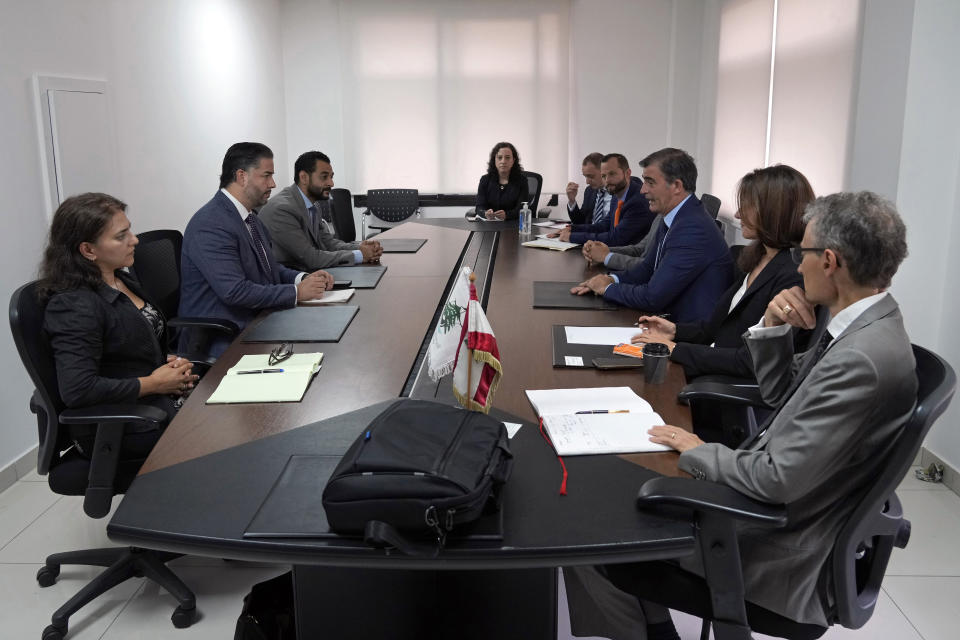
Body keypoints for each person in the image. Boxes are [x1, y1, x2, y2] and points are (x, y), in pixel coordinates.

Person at [565, 191, 916, 639]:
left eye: (804, 252)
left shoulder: (861, 358)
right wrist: (771, 328)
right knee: (616, 495)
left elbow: (775, 478)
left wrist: (700, 450)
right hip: (783, 512)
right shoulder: (865, 322)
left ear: (829, 261)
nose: (797, 263)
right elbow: (779, 394)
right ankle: (654, 625)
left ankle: (646, 630)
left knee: (585, 531)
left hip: (775, 551)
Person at [40, 193, 198, 459]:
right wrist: (153, 383)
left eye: (130, 230)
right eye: (120, 236)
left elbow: (126, 347)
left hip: (151, 403)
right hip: (122, 424)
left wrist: (165, 361)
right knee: (223, 433)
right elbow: (78, 389)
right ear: (88, 250)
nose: (134, 240)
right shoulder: (74, 305)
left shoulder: (120, 278)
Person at [630, 164, 814, 380]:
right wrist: (675, 331)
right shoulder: (757, 256)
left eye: (746, 206)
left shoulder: (794, 275)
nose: (737, 214)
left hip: (722, 382)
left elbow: (750, 361)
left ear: (774, 211)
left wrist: (675, 349)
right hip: (710, 365)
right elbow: (718, 327)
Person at [179, 142, 334, 359]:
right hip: (224, 336)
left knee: (327, 340)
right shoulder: (210, 224)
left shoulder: (251, 219)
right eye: (266, 175)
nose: (273, 183)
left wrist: (304, 278)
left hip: (258, 318)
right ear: (242, 176)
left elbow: (271, 270)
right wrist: (297, 292)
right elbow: (235, 291)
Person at [571, 148, 733, 324]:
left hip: (687, 331)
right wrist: (611, 278)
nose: (642, 190)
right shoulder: (674, 216)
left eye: (650, 182)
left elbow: (653, 297)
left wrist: (607, 288)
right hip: (667, 318)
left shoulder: (693, 228)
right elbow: (647, 268)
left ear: (677, 186)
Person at [259, 150, 382, 271]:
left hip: (311, 273)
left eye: (331, 177)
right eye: (324, 177)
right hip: (292, 280)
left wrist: (360, 248)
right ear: (304, 177)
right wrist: (360, 255)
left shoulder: (313, 205)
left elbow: (328, 243)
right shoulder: (282, 209)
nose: (331, 183)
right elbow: (310, 258)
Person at [552, 153, 655, 247]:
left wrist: (571, 237)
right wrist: (572, 229)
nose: (607, 180)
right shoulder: (616, 193)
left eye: (612, 174)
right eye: (604, 176)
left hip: (627, 258)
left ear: (627, 173)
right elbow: (605, 224)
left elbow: (615, 238)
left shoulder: (638, 201)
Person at [475, 142, 529, 220]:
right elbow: (479, 207)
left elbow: (521, 209)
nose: (503, 161)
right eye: (499, 157)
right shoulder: (485, 180)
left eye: (507, 157)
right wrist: (485, 213)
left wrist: (507, 215)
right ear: (494, 160)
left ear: (513, 160)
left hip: (513, 225)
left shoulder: (522, 181)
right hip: (489, 225)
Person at [565, 152, 610, 225]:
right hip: (589, 234)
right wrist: (572, 200)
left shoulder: (619, 191)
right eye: (585, 176)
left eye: (591, 176)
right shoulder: (589, 190)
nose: (587, 182)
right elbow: (580, 222)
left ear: (604, 171)